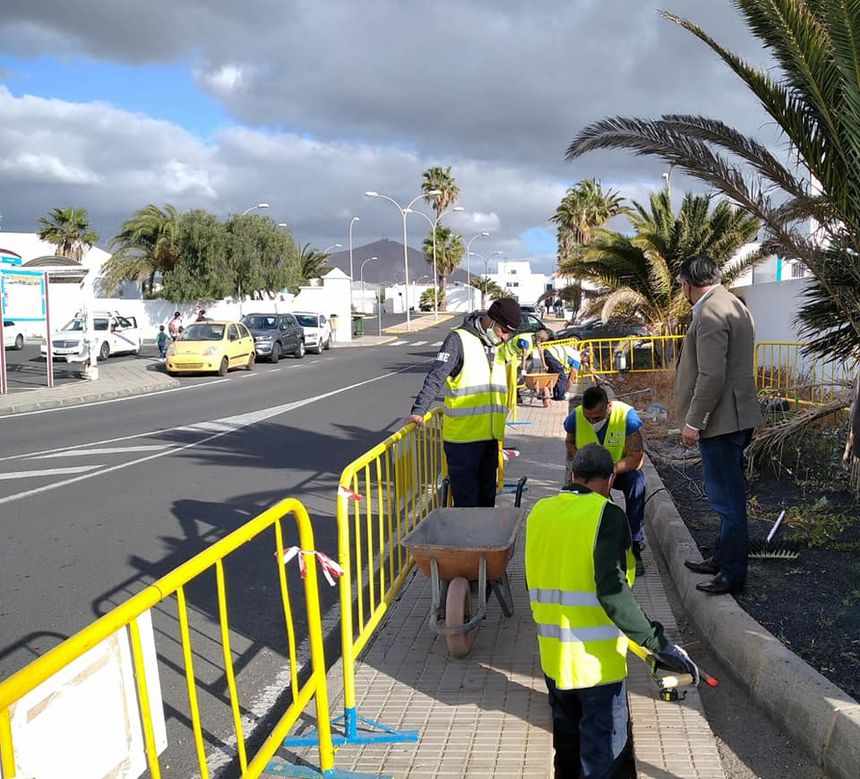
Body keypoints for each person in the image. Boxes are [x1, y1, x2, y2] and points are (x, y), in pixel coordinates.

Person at [526, 444, 698, 778]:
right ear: (608, 481)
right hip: (595, 667)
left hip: (554, 661)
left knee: (568, 751)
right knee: (604, 758)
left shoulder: (539, 513)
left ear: (573, 475)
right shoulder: (607, 515)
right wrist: (657, 642)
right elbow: (613, 592)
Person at [676, 255, 763, 595]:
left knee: (726, 498)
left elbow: (711, 376)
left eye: (681, 284)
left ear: (687, 284)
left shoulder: (711, 313)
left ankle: (732, 572)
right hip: (735, 416)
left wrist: (693, 422)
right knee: (728, 493)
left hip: (721, 421)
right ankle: (722, 556)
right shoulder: (734, 304)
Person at [406, 298, 521, 507]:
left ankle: (484, 540)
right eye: (504, 331)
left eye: (509, 333)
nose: (505, 337)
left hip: (490, 439)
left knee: (486, 502)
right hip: (463, 442)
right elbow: (436, 377)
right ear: (491, 320)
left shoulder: (497, 347)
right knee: (466, 506)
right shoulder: (458, 340)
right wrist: (419, 410)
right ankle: (468, 540)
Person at [564, 385, 646, 575]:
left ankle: (634, 545)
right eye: (588, 418)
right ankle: (584, 543)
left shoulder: (626, 417)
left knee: (637, 484)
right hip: (590, 472)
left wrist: (614, 470)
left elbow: (637, 456)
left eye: (597, 418)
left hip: (618, 469)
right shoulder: (575, 417)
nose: (592, 422)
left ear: (608, 407)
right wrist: (578, 462)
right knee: (574, 494)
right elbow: (569, 441)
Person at [535, 329, 581, 401]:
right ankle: (560, 396)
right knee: (561, 377)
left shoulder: (574, 352)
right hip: (552, 356)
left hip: (549, 353)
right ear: (584, 357)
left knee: (552, 376)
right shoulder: (577, 360)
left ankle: (547, 393)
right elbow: (571, 379)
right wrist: (567, 391)